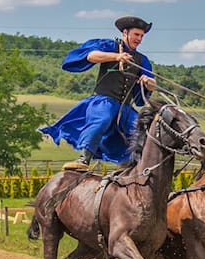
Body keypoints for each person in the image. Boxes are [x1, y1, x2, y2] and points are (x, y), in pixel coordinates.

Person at [41, 16, 157, 170]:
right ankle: (84, 159)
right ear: (125, 33)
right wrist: (116, 56)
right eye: (136, 35)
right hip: (104, 101)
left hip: (125, 108)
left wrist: (149, 84)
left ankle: (138, 167)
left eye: (142, 36)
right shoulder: (109, 46)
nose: (139, 39)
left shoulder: (142, 60)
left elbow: (152, 83)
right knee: (102, 119)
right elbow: (91, 56)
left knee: (145, 130)